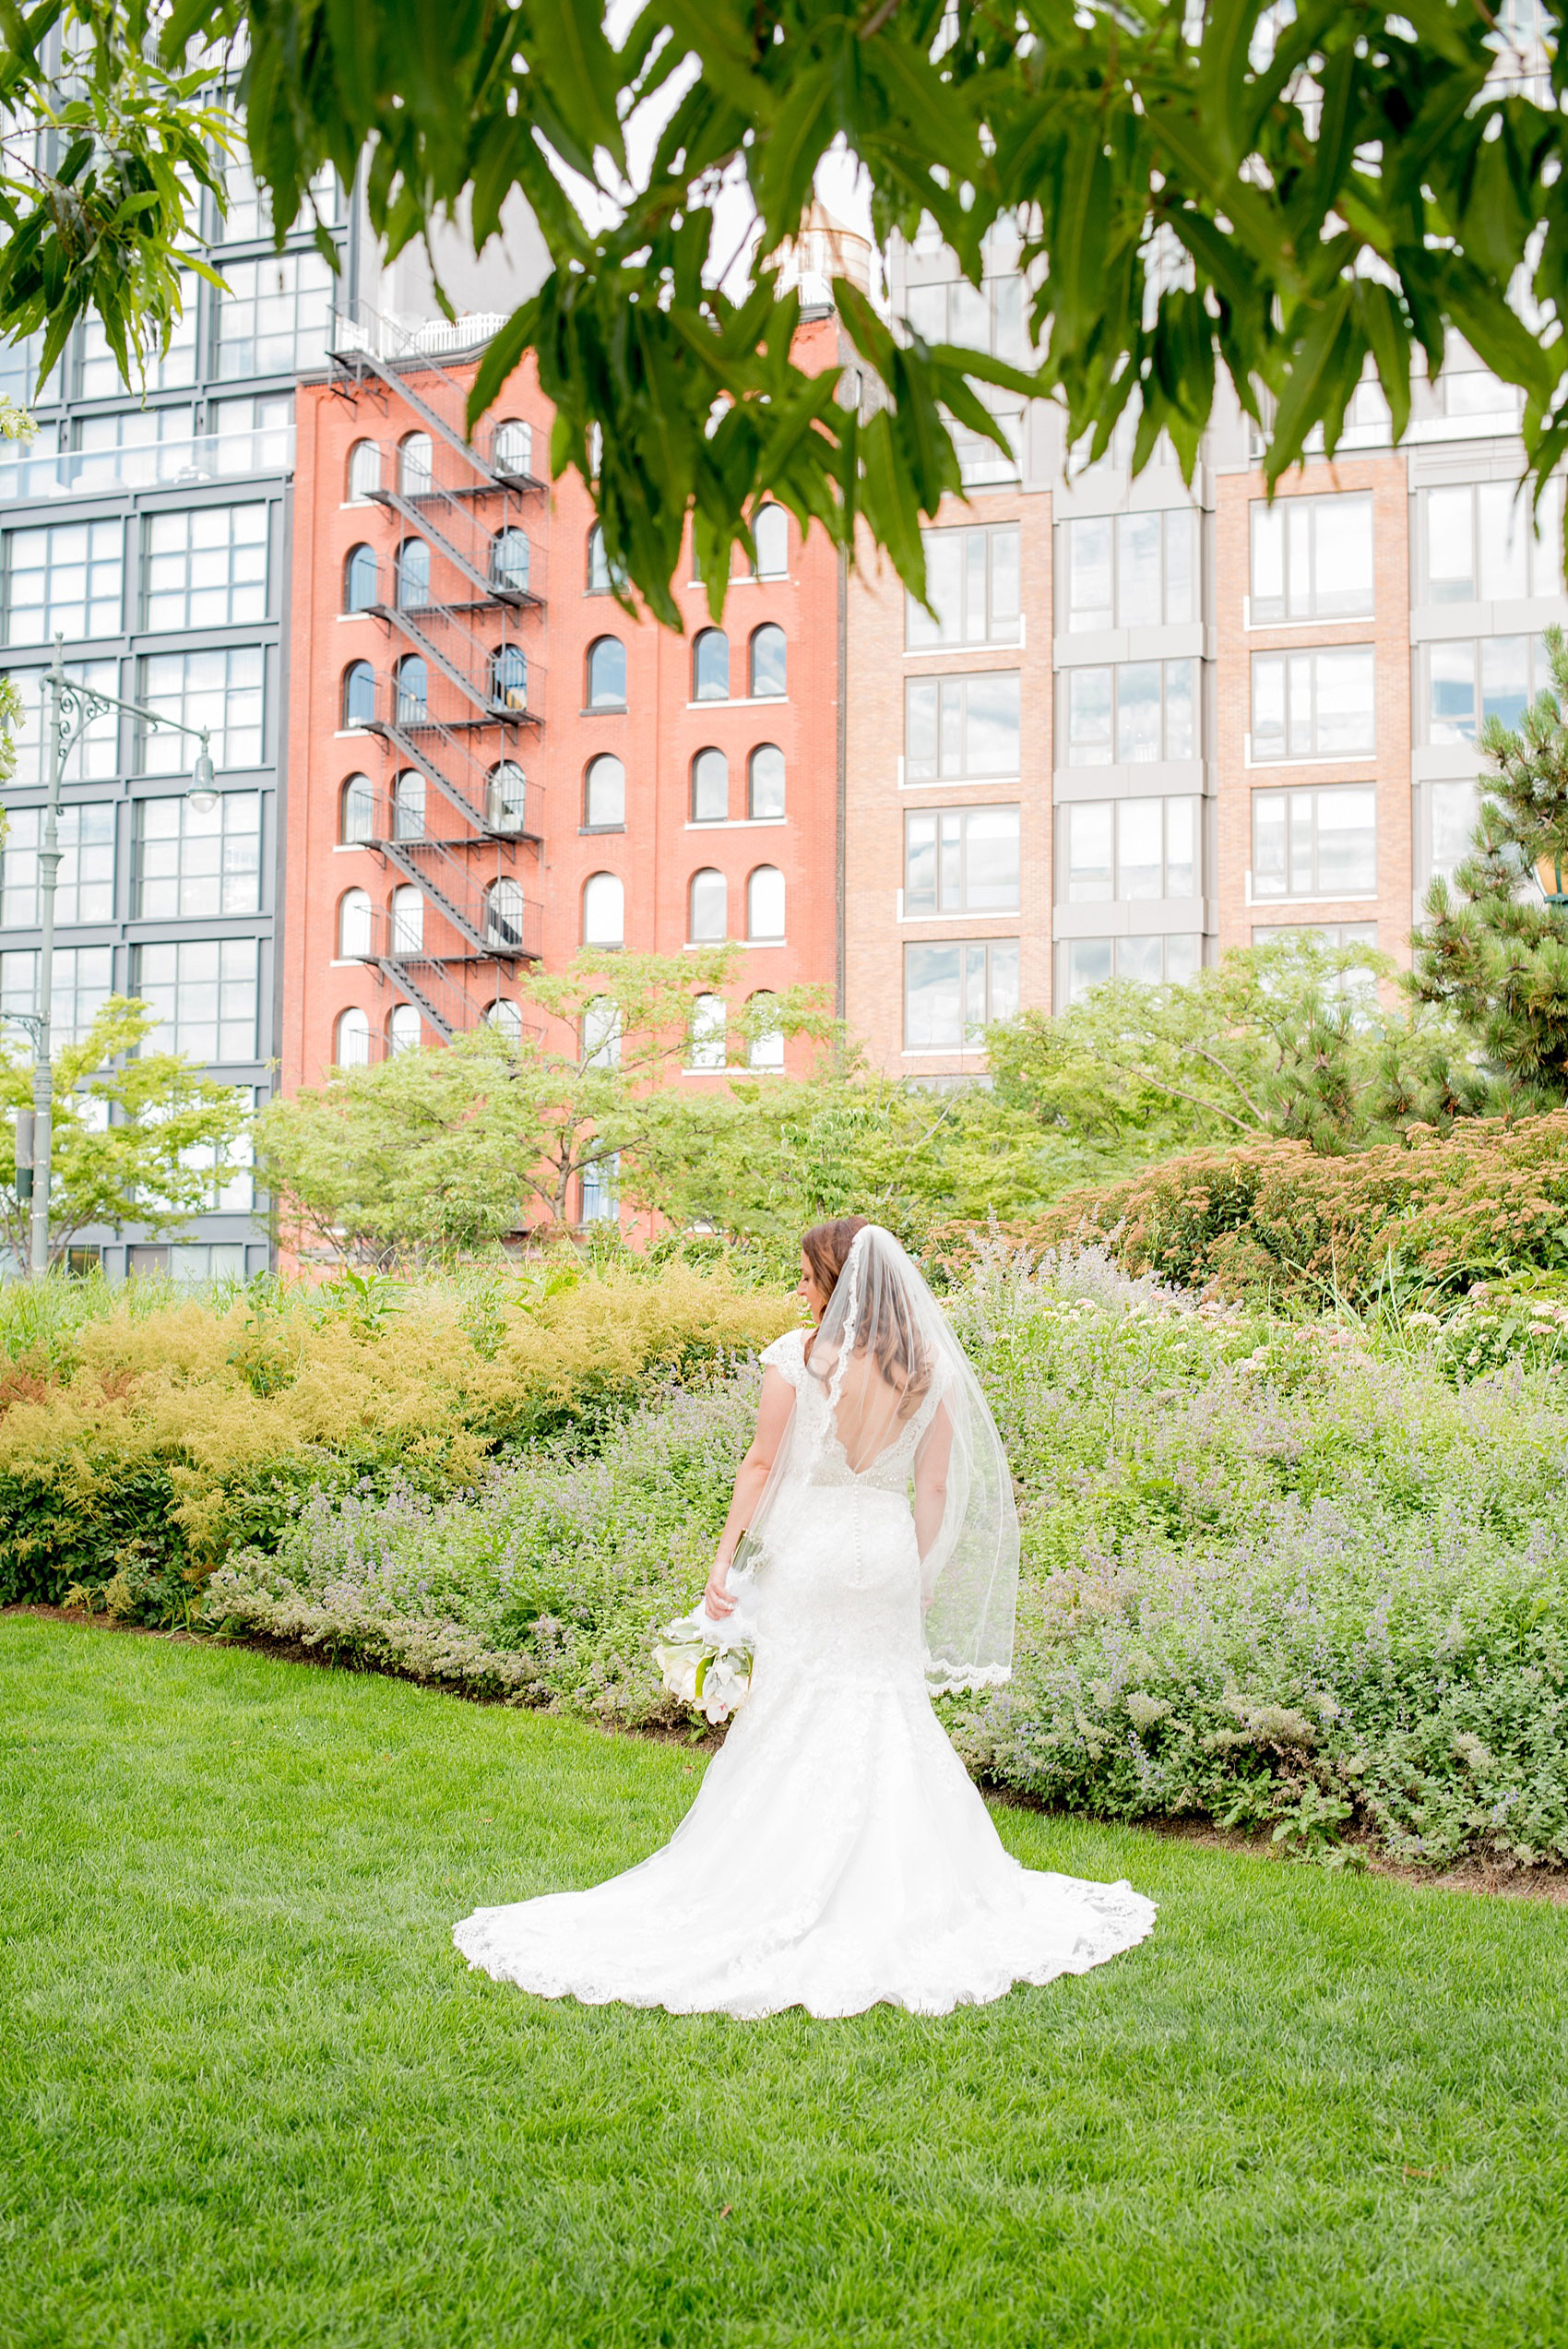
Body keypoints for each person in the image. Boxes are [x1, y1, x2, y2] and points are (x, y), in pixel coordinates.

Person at [454, 1220, 1155, 2017]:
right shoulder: (929, 1371)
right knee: (891, 1704)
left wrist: (724, 1561)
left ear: (838, 1281)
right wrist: (921, 1573)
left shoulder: (798, 1356)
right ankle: (917, 1887)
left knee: (794, 1707)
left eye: (808, 1276)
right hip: (886, 1553)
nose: (800, 1290)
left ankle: (773, 1874)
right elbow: (933, 1491)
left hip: (813, 1551)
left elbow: (761, 1464)